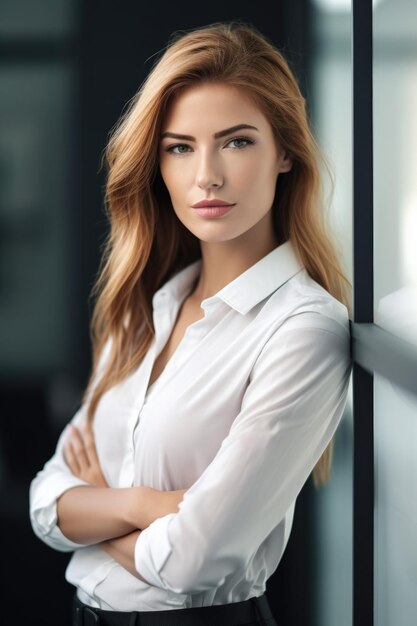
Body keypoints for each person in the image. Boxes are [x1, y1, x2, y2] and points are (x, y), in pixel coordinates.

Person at [29, 20, 352, 626]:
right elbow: (46, 504)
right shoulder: (143, 309)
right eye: (180, 147)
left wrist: (99, 517)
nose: (206, 174)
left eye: (235, 142)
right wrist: (148, 504)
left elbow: (191, 561)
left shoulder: (303, 329)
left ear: (284, 151)